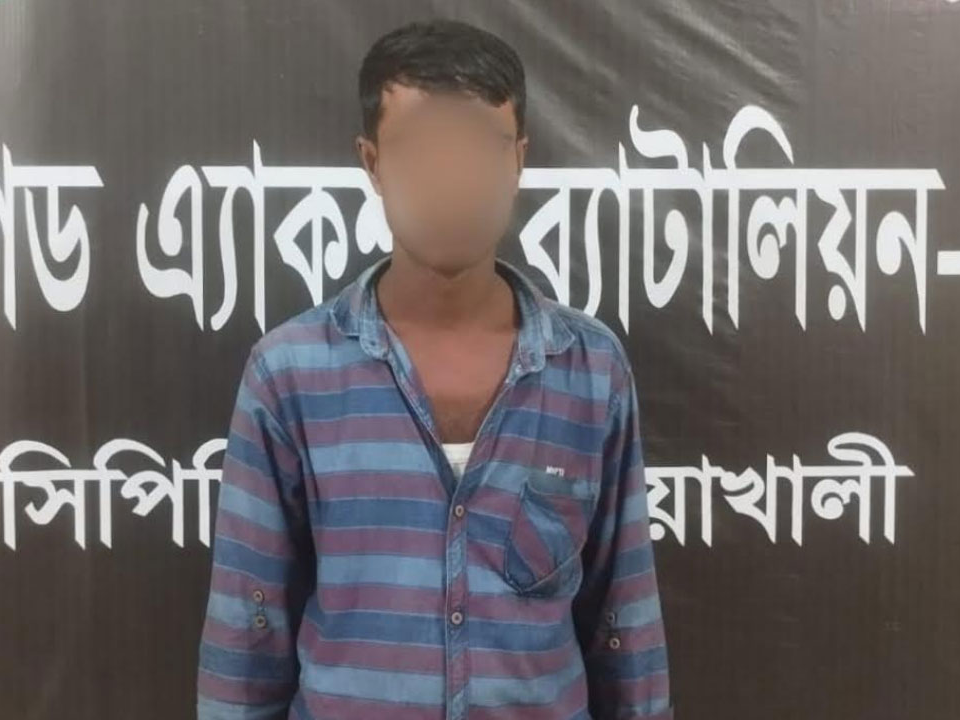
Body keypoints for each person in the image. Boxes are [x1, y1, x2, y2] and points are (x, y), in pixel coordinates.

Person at [196, 18, 672, 720]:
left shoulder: (590, 369)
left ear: (518, 160)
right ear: (372, 162)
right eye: (421, 147)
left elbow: (623, 622)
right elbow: (247, 636)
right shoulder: (290, 373)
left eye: (478, 145)